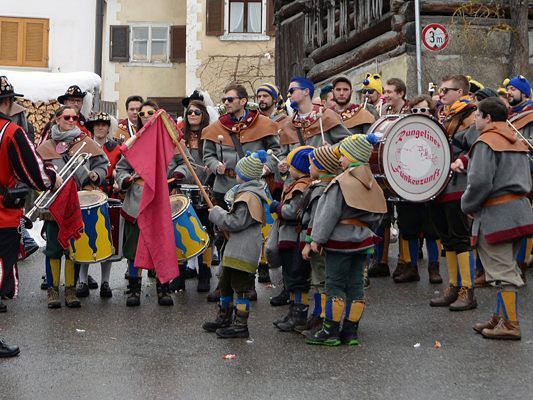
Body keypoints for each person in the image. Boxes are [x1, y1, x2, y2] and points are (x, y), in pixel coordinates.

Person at [459, 97, 533, 340]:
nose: (476, 120)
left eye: (478, 115)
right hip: (520, 211)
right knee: (506, 267)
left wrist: (467, 204)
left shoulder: (486, 142)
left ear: (488, 118)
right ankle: (499, 317)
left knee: (503, 273)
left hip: (497, 215)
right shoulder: (517, 139)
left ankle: (510, 324)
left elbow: (479, 182)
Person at [201, 83, 281, 302]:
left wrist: (266, 168)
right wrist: (215, 164)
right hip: (223, 187)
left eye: (230, 99)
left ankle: (248, 282)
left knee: (249, 238)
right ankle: (223, 283)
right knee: (222, 237)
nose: (226, 103)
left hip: (253, 191)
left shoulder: (263, 124)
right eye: (224, 99)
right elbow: (206, 155)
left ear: (243, 101)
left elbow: (277, 153)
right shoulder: (217, 127)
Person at [306, 134, 386, 346]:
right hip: (363, 242)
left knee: (334, 285)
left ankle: (330, 331)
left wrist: (317, 239)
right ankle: (350, 332)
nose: (339, 159)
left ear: (353, 156)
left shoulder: (341, 182)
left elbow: (328, 214)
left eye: (343, 155)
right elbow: (378, 213)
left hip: (339, 242)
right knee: (356, 285)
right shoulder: (372, 182)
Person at [0, 76, 59, 357]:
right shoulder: (11, 132)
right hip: (2, 217)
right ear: (8, 102)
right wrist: (51, 176)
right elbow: (34, 173)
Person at [116, 100, 191, 306]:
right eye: (142, 113)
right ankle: (134, 289)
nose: (147, 115)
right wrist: (124, 179)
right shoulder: (134, 142)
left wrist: (179, 173)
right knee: (134, 248)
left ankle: (163, 289)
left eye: (151, 112)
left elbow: (187, 163)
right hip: (137, 201)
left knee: (162, 245)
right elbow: (120, 169)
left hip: (162, 199)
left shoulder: (171, 142)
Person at [36, 106, 109, 309]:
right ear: (57, 119)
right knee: (53, 249)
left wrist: (96, 176)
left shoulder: (87, 143)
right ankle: (52, 290)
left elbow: (103, 165)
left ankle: (70, 289)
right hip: (54, 205)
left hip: (78, 204)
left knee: (73, 247)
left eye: (74, 117)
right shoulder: (47, 146)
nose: (71, 120)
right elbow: (36, 171)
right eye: (66, 117)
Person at [202, 151, 269, 338]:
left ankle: (240, 324)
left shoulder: (248, 197)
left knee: (240, 288)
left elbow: (235, 222)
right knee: (225, 283)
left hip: (243, 250)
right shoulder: (245, 193)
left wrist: (216, 213)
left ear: (245, 175)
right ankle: (224, 316)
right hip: (234, 249)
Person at [429, 74, 478, 311]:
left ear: (460, 92)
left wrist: (462, 161)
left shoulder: (471, 115)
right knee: (447, 239)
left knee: (460, 238)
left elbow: (478, 147)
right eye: (440, 90)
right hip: (439, 185)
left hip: (458, 185)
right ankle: (453, 286)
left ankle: (467, 291)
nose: (441, 94)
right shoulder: (443, 114)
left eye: (446, 90)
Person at [392, 95, 442, 284]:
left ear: (431, 112)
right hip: (408, 188)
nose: (419, 114)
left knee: (432, 231)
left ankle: (434, 268)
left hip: (431, 188)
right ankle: (411, 267)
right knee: (408, 229)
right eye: (415, 111)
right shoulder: (403, 131)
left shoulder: (438, 130)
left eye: (423, 110)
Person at [75, 112, 121, 299]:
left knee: (107, 237)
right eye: (97, 124)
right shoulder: (85, 146)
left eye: (103, 124)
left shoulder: (116, 148)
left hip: (108, 195)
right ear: (92, 127)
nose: (100, 127)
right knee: (86, 236)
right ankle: (82, 281)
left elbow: (121, 167)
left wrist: (118, 178)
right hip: (87, 196)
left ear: (109, 127)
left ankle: (105, 282)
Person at [270, 146, 314, 332]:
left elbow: (292, 211)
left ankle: (299, 315)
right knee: (291, 277)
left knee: (297, 278)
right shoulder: (298, 183)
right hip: (290, 237)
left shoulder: (301, 187)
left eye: (292, 167)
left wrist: (277, 207)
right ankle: (293, 312)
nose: (289, 169)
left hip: (294, 238)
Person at [301, 145, 341, 338]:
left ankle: (324, 317)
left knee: (321, 281)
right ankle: (319, 314)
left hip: (320, 244)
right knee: (320, 281)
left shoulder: (320, 191)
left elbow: (317, 219)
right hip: (324, 242)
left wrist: (309, 242)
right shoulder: (325, 185)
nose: (309, 168)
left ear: (321, 167)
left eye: (311, 164)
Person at [182, 99, 213, 292]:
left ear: (204, 115)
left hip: (205, 188)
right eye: (189, 112)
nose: (192, 115)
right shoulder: (179, 135)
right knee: (185, 228)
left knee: (205, 230)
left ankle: (205, 271)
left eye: (196, 112)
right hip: (183, 187)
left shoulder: (209, 134)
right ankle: (185, 268)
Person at [279, 76, 347, 152]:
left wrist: (332, 149)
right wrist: (284, 161)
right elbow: (282, 155)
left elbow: (347, 143)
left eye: (292, 91)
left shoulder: (327, 115)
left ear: (306, 91)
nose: (288, 95)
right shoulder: (288, 125)